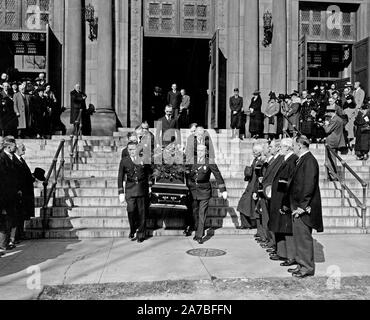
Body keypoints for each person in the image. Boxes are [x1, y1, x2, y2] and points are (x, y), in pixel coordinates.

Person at [288, 136, 324, 278]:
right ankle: (301, 264)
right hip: (297, 205)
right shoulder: (302, 159)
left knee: (303, 238)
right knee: (299, 237)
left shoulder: (309, 160)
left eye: (294, 145)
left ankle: (306, 267)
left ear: (300, 145)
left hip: (303, 207)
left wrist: (302, 206)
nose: (293, 148)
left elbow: (308, 185)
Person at [186, 144, 227, 244]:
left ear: (205, 152)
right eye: (198, 150)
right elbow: (186, 173)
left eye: (202, 150)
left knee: (202, 212)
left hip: (204, 191)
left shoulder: (210, 162)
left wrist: (223, 190)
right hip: (193, 190)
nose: (200, 152)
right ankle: (197, 231)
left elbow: (218, 175)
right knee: (195, 212)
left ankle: (199, 235)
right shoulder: (192, 160)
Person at [269, 138, 298, 267]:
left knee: (286, 228)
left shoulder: (291, 161)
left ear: (287, 148)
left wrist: (285, 203)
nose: (279, 148)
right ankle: (282, 252)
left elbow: (288, 183)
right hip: (278, 199)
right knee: (279, 227)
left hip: (283, 200)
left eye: (281, 146)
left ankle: (290, 256)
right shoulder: (285, 159)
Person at [118, 141, 153, 243]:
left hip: (141, 188)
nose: (131, 151)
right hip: (130, 188)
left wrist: (150, 186)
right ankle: (133, 228)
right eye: (129, 149)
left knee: (142, 212)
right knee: (131, 210)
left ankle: (141, 234)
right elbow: (120, 176)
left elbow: (149, 173)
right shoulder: (124, 161)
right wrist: (120, 191)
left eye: (133, 149)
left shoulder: (143, 159)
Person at [259, 140, 284, 257]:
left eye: (271, 146)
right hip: (267, 192)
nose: (269, 149)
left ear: (278, 148)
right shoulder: (274, 159)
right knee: (268, 218)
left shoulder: (280, 159)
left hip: (272, 193)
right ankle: (272, 242)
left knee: (272, 219)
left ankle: (274, 244)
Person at [0, 137, 20, 256]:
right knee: (3, 221)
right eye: (14, 145)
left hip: (9, 194)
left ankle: (4, 244)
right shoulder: (2, 157)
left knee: (6, 220)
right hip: (4, 194)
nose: (16, 147)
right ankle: (2, 245)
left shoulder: (7, 157)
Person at [12, 143, 35, 243]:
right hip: (20, 193)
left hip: (25, 192)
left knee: (22, 216)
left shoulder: (21, 160)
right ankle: (15, 237)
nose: (24, 149)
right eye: (22, 148)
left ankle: (19, 235)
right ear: (16, 149)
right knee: (17, 216)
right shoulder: (14, 160)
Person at [237, 143, 263, 230]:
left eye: (255, 151)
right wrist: (248, 166)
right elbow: (248, 174)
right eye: (253, 151)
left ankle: (249, 224)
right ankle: (246, 224)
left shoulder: (261, 162)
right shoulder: (254, 161)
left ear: (260, 152)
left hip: (254, 187)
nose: (254, 153)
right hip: (250, 186)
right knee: (243, 205)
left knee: (247, 206)